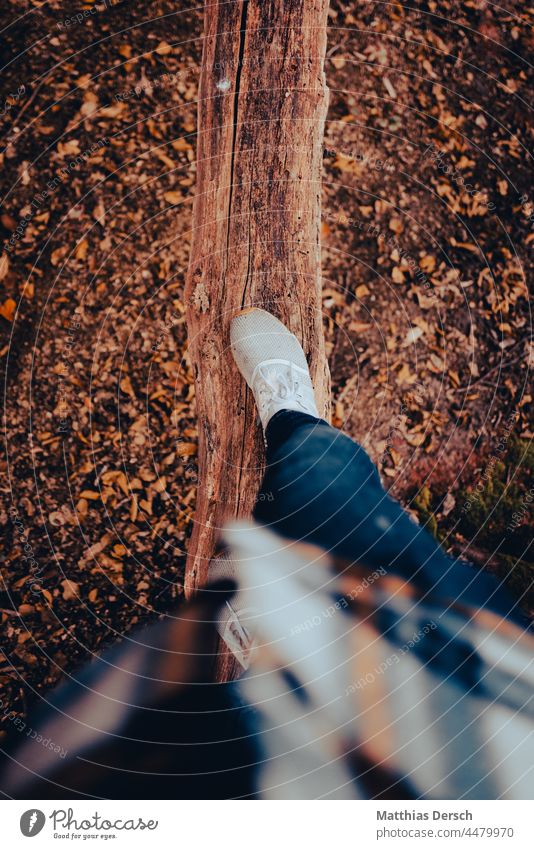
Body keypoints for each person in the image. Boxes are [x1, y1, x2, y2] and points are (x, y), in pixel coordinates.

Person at [2, 309, 532, 800]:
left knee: (145, 742)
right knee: (323, 481)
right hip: (484, 690)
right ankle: (293, 415)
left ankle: (261, 642)